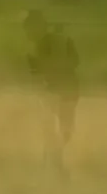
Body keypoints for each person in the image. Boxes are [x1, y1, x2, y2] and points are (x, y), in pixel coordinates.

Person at [24, 10, 79, 171]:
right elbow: (75, 61)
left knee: (55, 127)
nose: (28, 33)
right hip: (65, 88)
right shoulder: (55, 41)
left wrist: (42, 67)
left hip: (61, 89)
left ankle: (53, 157)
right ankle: (54, 158)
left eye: (29, 29)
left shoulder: (44, 45)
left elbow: (69, 62)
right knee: (58, 127)